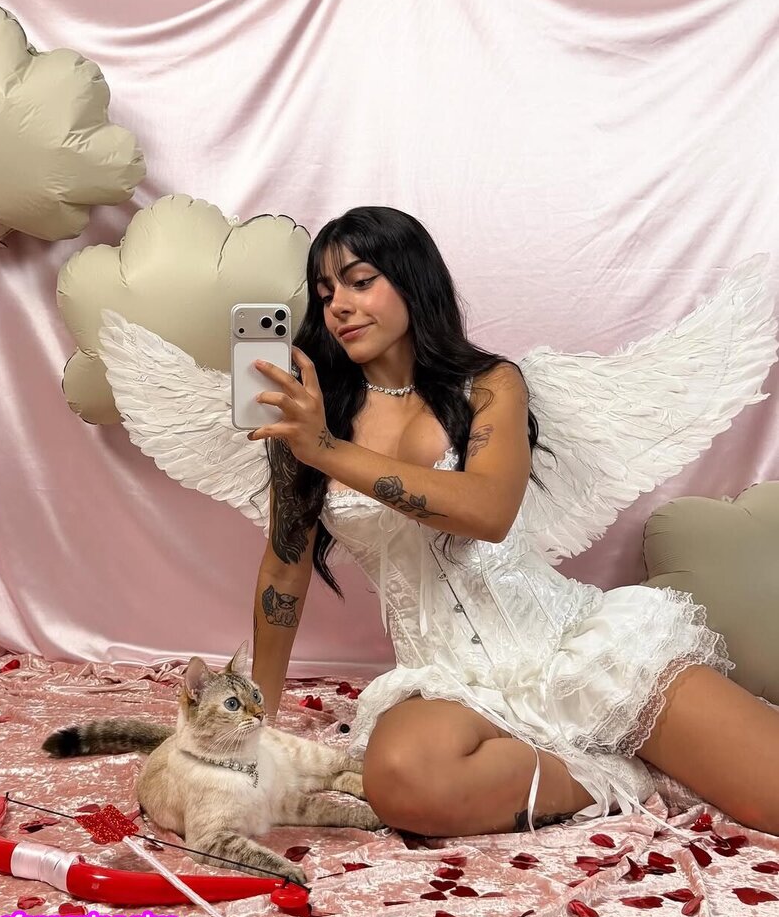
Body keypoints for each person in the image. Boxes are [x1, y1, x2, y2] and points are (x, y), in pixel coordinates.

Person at [246, 205, 779, 838]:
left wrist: (328, 451)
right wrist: (253, 725)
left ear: (413, 280)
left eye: (361, 281)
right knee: (405, 778)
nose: (339, 305)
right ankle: (608, 773)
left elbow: (487, 512)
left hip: (572, 650)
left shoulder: (490, 385)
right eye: (325, 292)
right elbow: (285, 570)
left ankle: (623, 737)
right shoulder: (310, 417)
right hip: (450, 683)